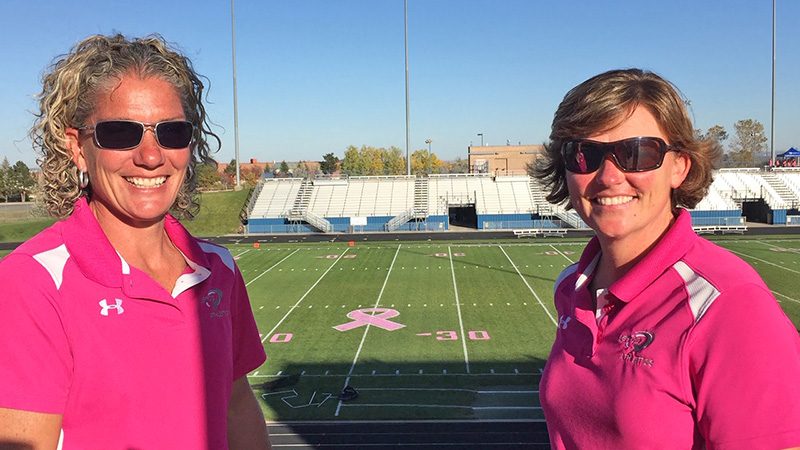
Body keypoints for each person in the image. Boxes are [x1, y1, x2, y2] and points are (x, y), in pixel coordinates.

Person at [0, 34, 271, 449]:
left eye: (173, 132)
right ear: (77, 146)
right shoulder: (32, 281)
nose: (150, 156)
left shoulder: (219, 268)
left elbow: (236, 405)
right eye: (120, 132)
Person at [536, 69, 800, 449]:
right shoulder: (571, 286)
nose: (609, 176)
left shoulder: (728, 305)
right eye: (585, 154)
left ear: (680, 166)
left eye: (637, 153)